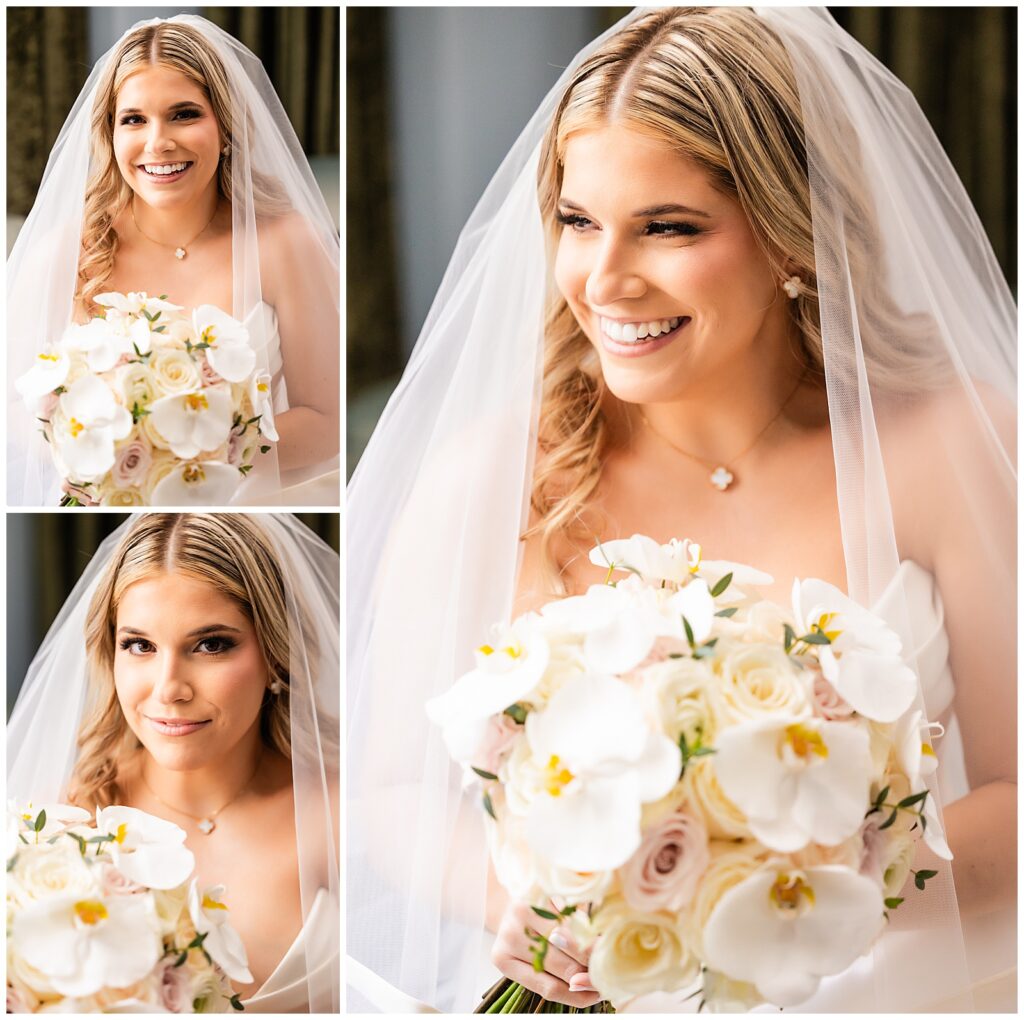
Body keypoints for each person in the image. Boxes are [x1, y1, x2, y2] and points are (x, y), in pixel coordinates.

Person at [347, 6, 1015, 1014]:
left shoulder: (952, 442)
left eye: (667, 227)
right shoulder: (491, 476)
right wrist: (517, 902)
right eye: (577, 222)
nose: (604, 279)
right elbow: (383, 790)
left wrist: (796, 897)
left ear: (794, 230)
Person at [8, 513, 340, 1012]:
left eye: (210, 645)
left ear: (274, 652)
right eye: (139, 645)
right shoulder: (57, 828)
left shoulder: (339, 811)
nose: (169, 690)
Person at [8, 16, 340, 506]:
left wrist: (194, 453)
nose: (158, 142)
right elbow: (13, 414)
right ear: (110, 134)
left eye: (184, 114)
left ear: (225, 128)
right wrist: (102, 455)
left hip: (255, 500)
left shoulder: (287, 242)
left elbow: (326, 423)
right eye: (134, 119)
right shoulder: (64, 252)